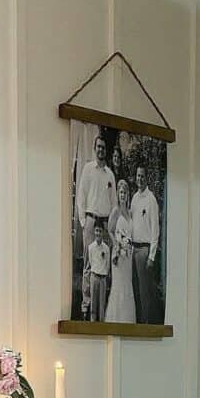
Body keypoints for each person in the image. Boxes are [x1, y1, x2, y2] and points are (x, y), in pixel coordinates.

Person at [76, 134, 117, 319]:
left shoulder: (110, 175)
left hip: (106, 222)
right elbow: (81, 197)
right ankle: (87, 305)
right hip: (91, 221)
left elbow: (114, 202)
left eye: (103, 147)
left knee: (105, 263)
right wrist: (85, 223)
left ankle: (103, 305)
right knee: (88, 264)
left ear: (106, 150)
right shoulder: (87, 169)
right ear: (95, 148)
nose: (101, 149)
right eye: (98, 146)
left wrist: (113, 227)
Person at [130, 163, 160, 322]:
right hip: (133, 249)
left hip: (144, 251)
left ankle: (147, 323)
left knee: (145, 291)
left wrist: (151, 256)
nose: (139, 179)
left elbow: (156, 230)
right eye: (138, 176)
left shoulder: (151, 200)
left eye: (142, 176)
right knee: (135, 289)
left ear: (146, 178)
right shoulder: (134, 198)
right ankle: (138, 321)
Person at [105, 179, 134, 322]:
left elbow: (130, 233)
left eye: (125, 192)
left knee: (127, 284)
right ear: (118, 194)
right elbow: (110, 230)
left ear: (128, 194)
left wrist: (127, 245)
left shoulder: (129, 213)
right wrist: (116, 244)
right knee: (118, 285)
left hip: (128, 255)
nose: (123, 195)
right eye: (120, 192)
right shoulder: (115, 211)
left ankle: (127, 319)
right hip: (118, 253)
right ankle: (116, 318)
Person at [87, 222, 110, 321]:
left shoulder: (106, 248)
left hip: (103, 278)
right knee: (93, 303)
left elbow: (107, 264)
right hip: (94, 276)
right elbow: (91, 262)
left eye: (100, 231)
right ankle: (92, 323)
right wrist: (95, 273)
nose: (98, 233)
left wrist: (104, 275)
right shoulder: (91, 247)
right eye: (96, 230)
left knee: (102, 304)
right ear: (94, 231)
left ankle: (101, 323)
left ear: (103, 233)